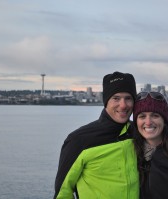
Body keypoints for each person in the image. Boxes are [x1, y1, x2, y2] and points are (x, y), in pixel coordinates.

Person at [54, 71, 139, 199]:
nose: (123, 105)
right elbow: (62, 193)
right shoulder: (79, 140)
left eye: (128, 98)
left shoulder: (139, 133)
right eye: (116, 98)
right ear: (106, 101)